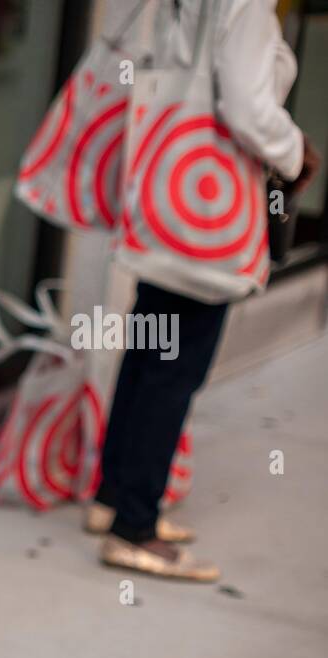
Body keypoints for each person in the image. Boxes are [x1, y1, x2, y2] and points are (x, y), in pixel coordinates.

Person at [89, 0, 319, 580]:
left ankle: (115, 496)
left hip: (166, 197)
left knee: (148, 354)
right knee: (174, 369)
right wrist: (295, 153)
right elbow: (247, 108)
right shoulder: (246, 7)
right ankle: (134, 529)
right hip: (206, 212)